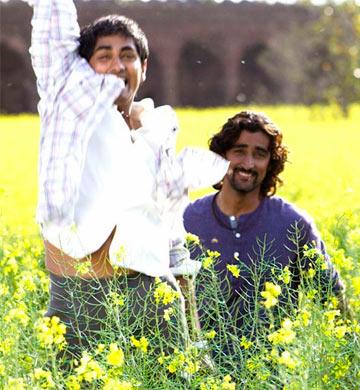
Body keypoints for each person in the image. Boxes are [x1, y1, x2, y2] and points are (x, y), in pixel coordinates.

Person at [30, 0, 224, 364]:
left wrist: (195, 340)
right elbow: (52, 25)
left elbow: (171, 237)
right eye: (103, 55)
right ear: (82, 67)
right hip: (78, 302)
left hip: (154, 301)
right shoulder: (68, 101)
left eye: (128, 55)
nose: (117, 65)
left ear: (143, 67)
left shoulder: (158, 129)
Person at [183, 111, 343, 363]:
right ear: (221, 156)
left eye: (260, 154)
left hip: (274, 375)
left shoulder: (293, 224)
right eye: (239, 151)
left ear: (270, 163)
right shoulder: (186, 220)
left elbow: (333, 299)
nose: (248, 163)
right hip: (202, 375)